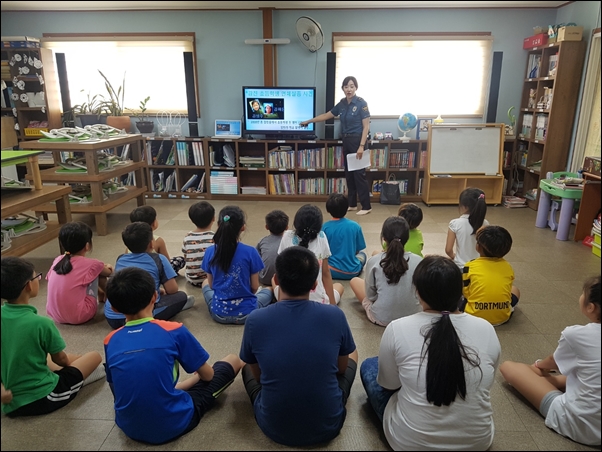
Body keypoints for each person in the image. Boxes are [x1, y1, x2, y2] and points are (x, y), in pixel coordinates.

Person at [360, 255, 501, 451]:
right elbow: (487, 382)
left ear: (417, 292)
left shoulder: (398, 328)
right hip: (478, 442)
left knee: (369, 366)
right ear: (460, 292)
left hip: (409, 443)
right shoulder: (486, 328)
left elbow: (389, 384)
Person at [104, 266, 244, 445]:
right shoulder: (173, 330)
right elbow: (208, 376)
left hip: (128, 426)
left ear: (114, 308)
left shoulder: (110, 339)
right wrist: (195, 378)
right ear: (155, 296)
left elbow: (118, 386)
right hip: (173, 424)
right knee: (233, 360)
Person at [239, 246, 358, 447]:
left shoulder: (255, 319)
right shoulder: (335, 315)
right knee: (351, 352)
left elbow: (259, 377)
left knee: (245, 363)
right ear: (314, 284)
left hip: (273, 426)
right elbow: (341, 368)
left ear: (276, 280)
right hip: (329, 425)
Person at [499, 275, 601, 447]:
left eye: (583, 293)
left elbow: (552, 362)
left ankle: (549, 382)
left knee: (509, 367)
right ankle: (556, 382)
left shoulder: (576, 335)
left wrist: (537, 366)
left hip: (580, 425)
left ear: (591, 307)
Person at [1, 256, 105, 417]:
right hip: (44, 397)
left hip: (10, 403)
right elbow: (61, 360)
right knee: (95, 356)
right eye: (36, 277)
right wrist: (71, 365)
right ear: (28, 286)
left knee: (47, 357)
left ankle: (76, 367)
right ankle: (83, 377)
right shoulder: (41, 323)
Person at [301, 76, 372, 215]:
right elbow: (326, 115)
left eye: (352, 86)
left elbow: (366, 127)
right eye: (346, 86)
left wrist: (361, 146)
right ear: (343, 89)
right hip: (346, 140)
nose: (349, 89)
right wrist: (309, 121)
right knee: (349, 174)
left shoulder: (361, 103)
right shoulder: (342, 104)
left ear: (356, 88)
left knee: (359, 175)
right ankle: (352, 204)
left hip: (358, 141)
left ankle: (366, 206)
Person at [104, 222, 193, 329]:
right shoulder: (159, 259)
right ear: (151, 244)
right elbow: (172, 289)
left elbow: (125, 284)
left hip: (112, 317)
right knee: (181, 296)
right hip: (141, 317)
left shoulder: (121, 258)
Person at [201, 206, 273, 324]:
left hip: (219, 313)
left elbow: (212, 285)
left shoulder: (210, 251)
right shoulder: (251, 252)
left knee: (205, 284)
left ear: (219, 225)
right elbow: (254, 287)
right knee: (269, 290)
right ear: (243, 227)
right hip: (247, 313)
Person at [350, 216, 423, 327]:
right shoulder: (419, 261)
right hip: (412, 317)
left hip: (381, 318)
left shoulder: (374, 261)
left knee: (355, 281)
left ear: (384, 238)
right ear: (407, 238)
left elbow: (371, 296)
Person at [46, 221, 113, 324]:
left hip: (55, 315)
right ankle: (109, 298)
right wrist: (108, 267)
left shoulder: (58, 260)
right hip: (81, 315)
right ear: (87, 245)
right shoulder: (93, 264)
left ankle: (101, 295)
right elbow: (109, 273)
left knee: (91, 272)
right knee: (97, 271)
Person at [277, 204, 344, 305]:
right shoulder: (322, 237)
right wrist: (332, 305)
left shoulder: (286, 236)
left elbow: (280, 273)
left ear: (296, 222)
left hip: (288, 299)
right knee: (339, 286)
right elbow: (326, 273)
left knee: (274, 283)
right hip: (319, 302)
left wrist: (280, 305)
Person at [461, 225, 520, 326]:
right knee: (515, 290)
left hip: (473, 317)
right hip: (502, 318)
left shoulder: (469, 266)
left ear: (478, 247)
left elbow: (466, 292)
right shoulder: (508, 267)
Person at [322, 193, 367, 280]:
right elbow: (357, 250)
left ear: (328, 210)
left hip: (330, 270)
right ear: (346, 208)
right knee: (363, 255)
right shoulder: (355, 226)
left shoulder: (324, 227)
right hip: (352, 271)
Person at [128, 205, 185, 274]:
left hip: (135, 272)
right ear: (154, 224)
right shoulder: (158, 240)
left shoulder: (130, 238)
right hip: (154, 272)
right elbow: (167, 262)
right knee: (180, 260)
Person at [445, 187, 489, 268]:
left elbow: (448, 250)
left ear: (464, 206)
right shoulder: (485, 223)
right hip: (478, 266)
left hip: (461, 266)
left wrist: (453, 256)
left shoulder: (455, 223)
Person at [182, 201, 215, 287]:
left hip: (192, 278)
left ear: (192, 220)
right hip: (211, 278)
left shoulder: (187, 237)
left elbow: (186, 256)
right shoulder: (215, 237)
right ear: (213, 218)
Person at [256, 209, 289, 287]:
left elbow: (256, 259)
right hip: (284, 280)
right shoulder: (289, 241)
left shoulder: (262, 241)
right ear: (287, 227)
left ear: (266, 227)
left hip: (263, 278)